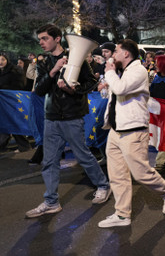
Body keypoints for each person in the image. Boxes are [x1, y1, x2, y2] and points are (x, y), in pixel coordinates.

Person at [25, 24, 111, 218]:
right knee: (49, 161)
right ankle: (51, 201)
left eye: (45, 38)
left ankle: (103, 185)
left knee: (82, 155)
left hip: (72, 116)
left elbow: (91, 83)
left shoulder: (77, 58)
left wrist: (72, 90)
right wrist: (53, 71)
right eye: (40, 39)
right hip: (51, 117)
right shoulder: (45, 62)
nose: (41, 42)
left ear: (57, 39)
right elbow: (39, 90)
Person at [97, 39, 165, 228]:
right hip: (116, 130)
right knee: (117, 174)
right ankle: (122, 214)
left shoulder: (138, 70)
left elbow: (120, 88)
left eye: (116, 51)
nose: (112, 55)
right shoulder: (123, 71)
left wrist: (109, 73)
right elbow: (115, 93)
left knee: (141, 173)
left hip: (133, 130)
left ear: (126, 53)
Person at [0, 54, 32, 153]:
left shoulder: (15, 71)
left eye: (3, 59)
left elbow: (19, 85)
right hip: (2, 102)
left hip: (11, 101)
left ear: (7, 60)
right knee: (5, 122)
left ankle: (24, 145)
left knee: (12, 122)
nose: (0, 62)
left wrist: (4, 90)